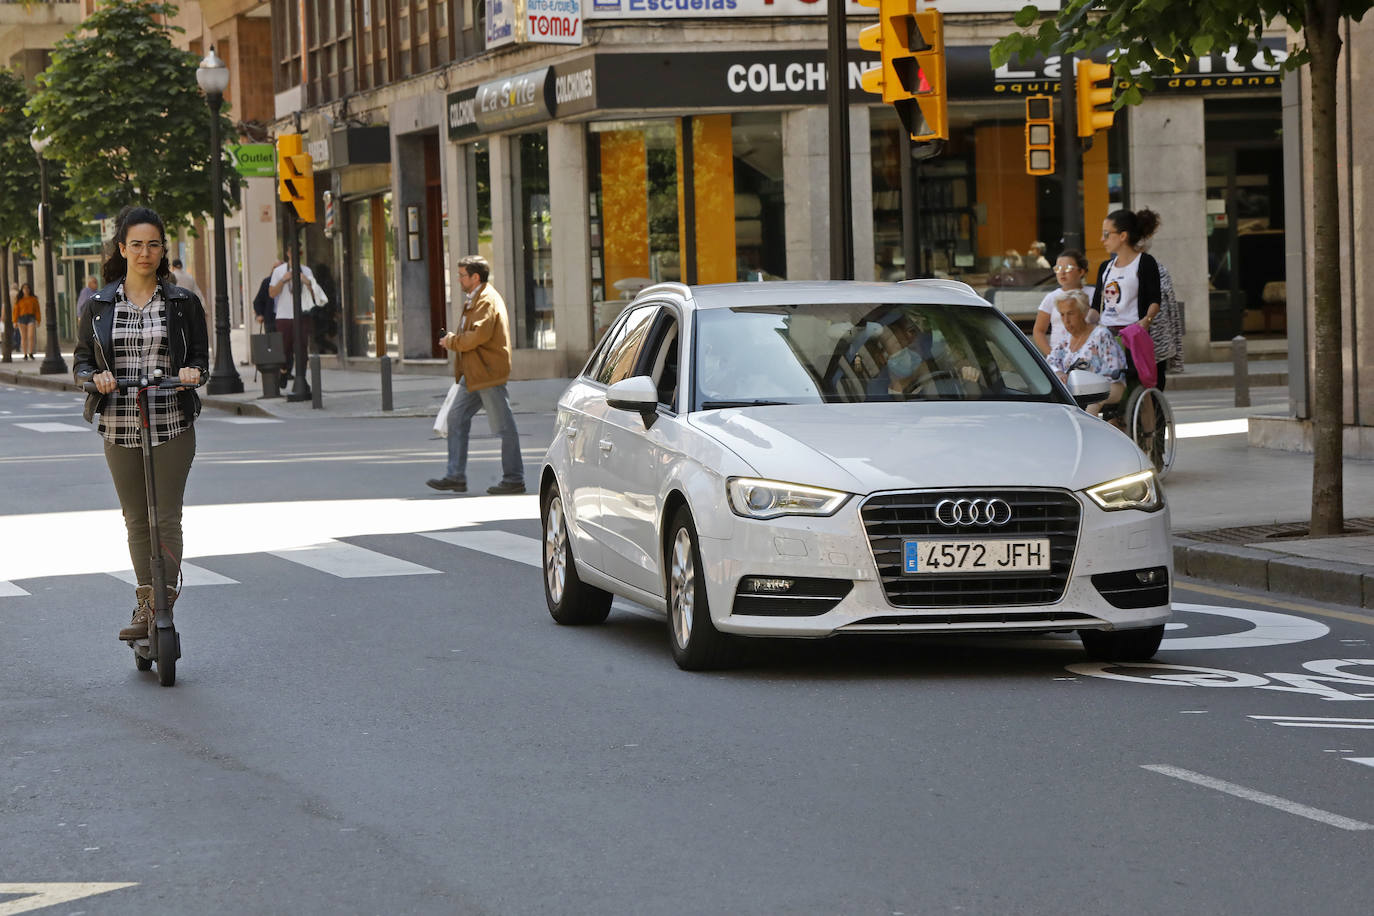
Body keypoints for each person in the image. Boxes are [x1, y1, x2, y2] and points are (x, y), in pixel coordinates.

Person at [71, 206, 209, 641]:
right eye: (136, 244)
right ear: (122, 249)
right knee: (135, 518)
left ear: (163, 249)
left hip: (170, 420)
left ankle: (160, 606)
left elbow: (200, 359)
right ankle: (146, 603)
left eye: (153, 244)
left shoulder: (183, 302)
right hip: (119, 423)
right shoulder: (99, 304)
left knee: (165, 516)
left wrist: (192, 373)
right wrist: (95, 377)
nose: (145, 252)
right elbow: (81, 362)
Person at [426, 255, 525, 496]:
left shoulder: (487, 300)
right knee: (456, 418)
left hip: (487, 372)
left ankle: (514, 478)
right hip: (473, 373)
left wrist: (453, 341)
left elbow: (479, 335)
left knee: (504, 426)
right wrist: (455, 339)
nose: (458, 279)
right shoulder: (476, 298)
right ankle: (455, 476)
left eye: (462, 275)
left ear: (475, 277)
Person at [1093, 207, 1167, 388]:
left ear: (1123, 236)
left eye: (1106, 234)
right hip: (1106, 335)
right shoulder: (1105, 267)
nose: (1102, 239)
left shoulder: (1145, 262)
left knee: (1138, 384)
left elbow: (1154, 300)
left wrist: (1145, 322)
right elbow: (1095, 306)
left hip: (1132, 334)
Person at [1045, 290, 1126, 416]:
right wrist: (1059, 372)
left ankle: (1086, 433)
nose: (1066, 320)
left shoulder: (1101, 335)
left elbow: (1113, 372)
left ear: (1084, 312)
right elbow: (1049, 362)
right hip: (1076, 390)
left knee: (1092, 399)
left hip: (1109, 386)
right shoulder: (1066, 339)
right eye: (1062, 314)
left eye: (1070, 314)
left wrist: (1085, 382)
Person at [266, 258, 327, 388]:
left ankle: (301, 379)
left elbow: (314, 293)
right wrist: (283, 280)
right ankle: (283, 371)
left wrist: (307, 282)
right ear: (288, 253)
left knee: (302, 348)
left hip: (303, 314)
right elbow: (271, 293)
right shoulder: (279, 271)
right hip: (284, 316)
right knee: (284, 349)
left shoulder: (306, 270)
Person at [1033, 250, 1095, 356]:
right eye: (1058, 268)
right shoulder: (1051, 297)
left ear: (1081, 271)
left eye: (1068, 268)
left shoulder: (1094, 294)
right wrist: (1051, 355)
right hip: (1059, 357)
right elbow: (1038, 331)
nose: (1062, 273)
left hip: (1088, 355)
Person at [252, 260, 283, 332]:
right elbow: (258, 300)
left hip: (285, 318)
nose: (276, 270)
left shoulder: (288, 282)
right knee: (272, 342)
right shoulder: (267, 282)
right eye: (274, 268)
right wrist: (259, 314)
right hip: (271, 319)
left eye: (278, 268)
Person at [13, 282, 40, 360]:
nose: (26, 290)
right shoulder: (19, 300)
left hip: (31, 317)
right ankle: (25, 353)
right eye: (24, 288)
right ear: (22, 290)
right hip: (21, 318)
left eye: (27, 288)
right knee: (23, 337)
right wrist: (15, 321)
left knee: (31, 336)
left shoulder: (34, 299)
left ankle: (31, 352)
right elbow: (15, 311)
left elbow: (37, 310)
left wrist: (38, 320)